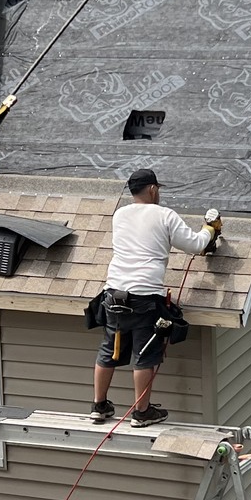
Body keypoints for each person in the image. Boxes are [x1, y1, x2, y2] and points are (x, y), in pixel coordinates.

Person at [90, 168, 220, 427]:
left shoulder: (120, 214)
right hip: (144, 299)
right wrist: (209, 228)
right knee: (145, 355)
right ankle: (141, 412)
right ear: (152, 189)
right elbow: (195, 245)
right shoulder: (165, 215)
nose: (158, 192)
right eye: (157, 188)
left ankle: (99, 406)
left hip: (113, 295)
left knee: (109, 351)